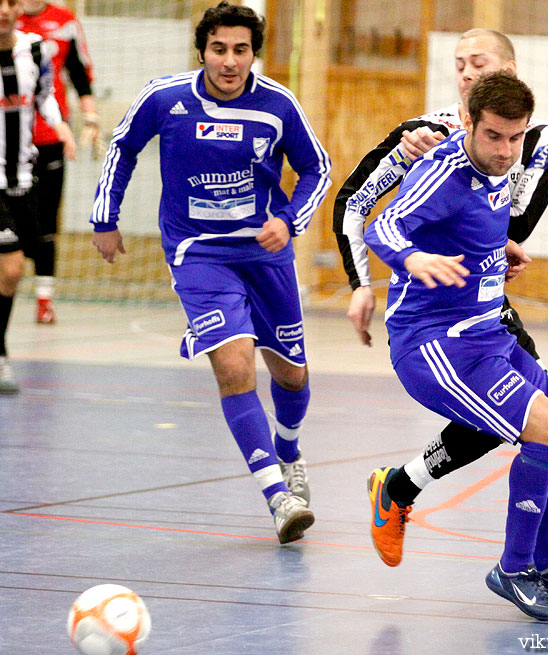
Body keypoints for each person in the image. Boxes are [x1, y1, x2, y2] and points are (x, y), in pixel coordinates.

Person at [334, 28, 548, 606]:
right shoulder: (441, 165)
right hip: (438, 342)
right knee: (545, 433)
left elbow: (482, 219)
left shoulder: (509, 160)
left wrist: (499, 252)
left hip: (489, 329)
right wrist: (411, 260)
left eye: (514, 139)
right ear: (472, 121)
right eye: (495, 137)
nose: (506, 151)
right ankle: (516, 567)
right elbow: (381, 224)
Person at [90, 2, 331, 544]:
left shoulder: (277, 105)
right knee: (233, 366)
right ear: (202, 50)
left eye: (240, 50)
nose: (229, 61)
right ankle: (277, 497)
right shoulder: (165, 97)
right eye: (218, 49)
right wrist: (105, 218)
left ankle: (288, 451)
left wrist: (289, 223)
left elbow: (318, 166)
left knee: (291, 374)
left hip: (265, 257)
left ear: (254, 54)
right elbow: (122, 149)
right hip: (198, 257)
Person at [0, 0, 76, 394]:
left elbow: (46, 94)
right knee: (9, 268)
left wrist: (61, 126)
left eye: (10, 2)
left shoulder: (33, 49)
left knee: (12, 274)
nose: (3, 10)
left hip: (22, 178)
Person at [17, 0, 103, 324]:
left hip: (51, 138)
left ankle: (44, 299)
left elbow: (80, 75)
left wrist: (90, 119)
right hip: (7, 142)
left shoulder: (65, 21)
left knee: (46, 222)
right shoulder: (7, 19)